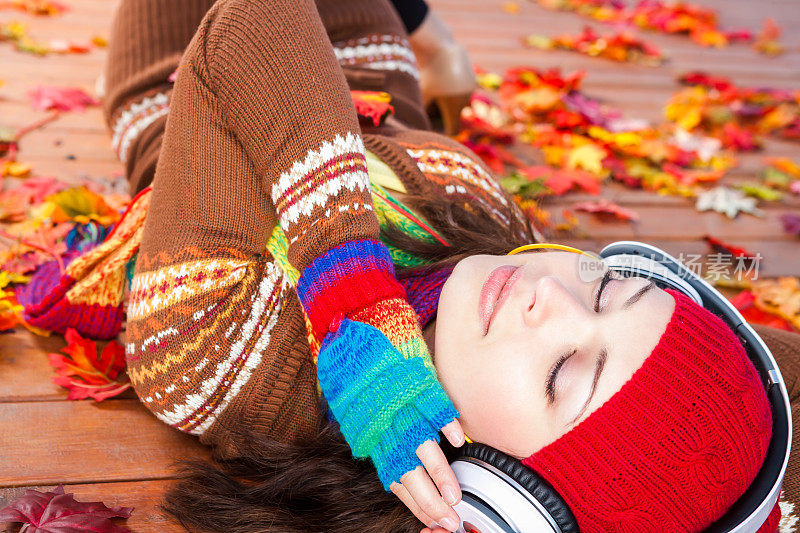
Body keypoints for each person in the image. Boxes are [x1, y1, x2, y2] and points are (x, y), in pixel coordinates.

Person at [26, 0, 797, 531]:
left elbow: (251, 25)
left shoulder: (214, 350)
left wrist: (352, 294)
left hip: (193, 46)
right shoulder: (504, 283)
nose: (554, 297)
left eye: (564, 372)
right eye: (609, 284)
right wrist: (732, 269)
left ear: (497, 497)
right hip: (377, 53)